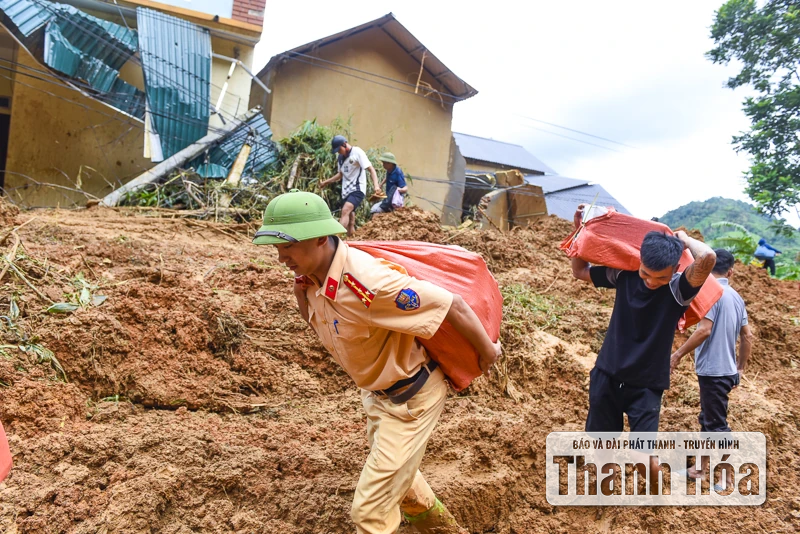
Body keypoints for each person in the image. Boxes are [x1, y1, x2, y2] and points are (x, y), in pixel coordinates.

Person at [253, 190, 501, 534]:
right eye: (277, 249)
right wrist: (302, 292)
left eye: (288, 247)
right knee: (403, 485)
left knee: (369, 513)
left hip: (410, 401)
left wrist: (488, 352)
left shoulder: (369, 284)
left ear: (321, 238)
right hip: (376, 395)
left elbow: (453, 304)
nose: (281, 258)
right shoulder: (311, 280)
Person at [569, 205, 716, 438]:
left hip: (647, 385)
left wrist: (685, 239)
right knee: (602, 451)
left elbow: (708, 257)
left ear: (676, 269)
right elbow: (580, 271)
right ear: (639, 261)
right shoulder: (623, 274)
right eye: (646, 273)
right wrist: (580, 231)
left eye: (661, 277)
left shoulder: (679, 289)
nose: (652, 281)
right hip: (607, 374)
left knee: (644, 459)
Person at [670, 249, 754, 489]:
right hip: (725, 371)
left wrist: (676, 355)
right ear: (730, 272)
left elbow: (704, 330)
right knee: (709, 421)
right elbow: (747, 337)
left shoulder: (711, 293)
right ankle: (698, 469)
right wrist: (740, 368)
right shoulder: (736, 297)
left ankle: (727, 477)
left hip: (714, 372)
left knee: (717, 426)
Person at [320, 135, 381, 237]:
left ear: (344, 144)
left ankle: (336, 238)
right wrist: (325, 182)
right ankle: (350, 239)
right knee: (351, 218)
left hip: (357, 189)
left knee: (345, 211)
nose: (339, 152)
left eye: (339, 149)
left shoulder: (357, 152)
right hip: (346, 191)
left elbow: (371, 169)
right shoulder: (340, 158)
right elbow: (340, 174)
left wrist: (376, 186)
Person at [370, 152, 408, 216]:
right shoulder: (389, 170)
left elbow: (405, 188)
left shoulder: (397, 173)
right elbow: (387, 178)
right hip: (388, 199)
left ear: (390, 163)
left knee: (375, 211)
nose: (383, 165)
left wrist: (399, 190)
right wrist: (381, 185)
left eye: (384, 163)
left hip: (393, 202)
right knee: (374, 210)